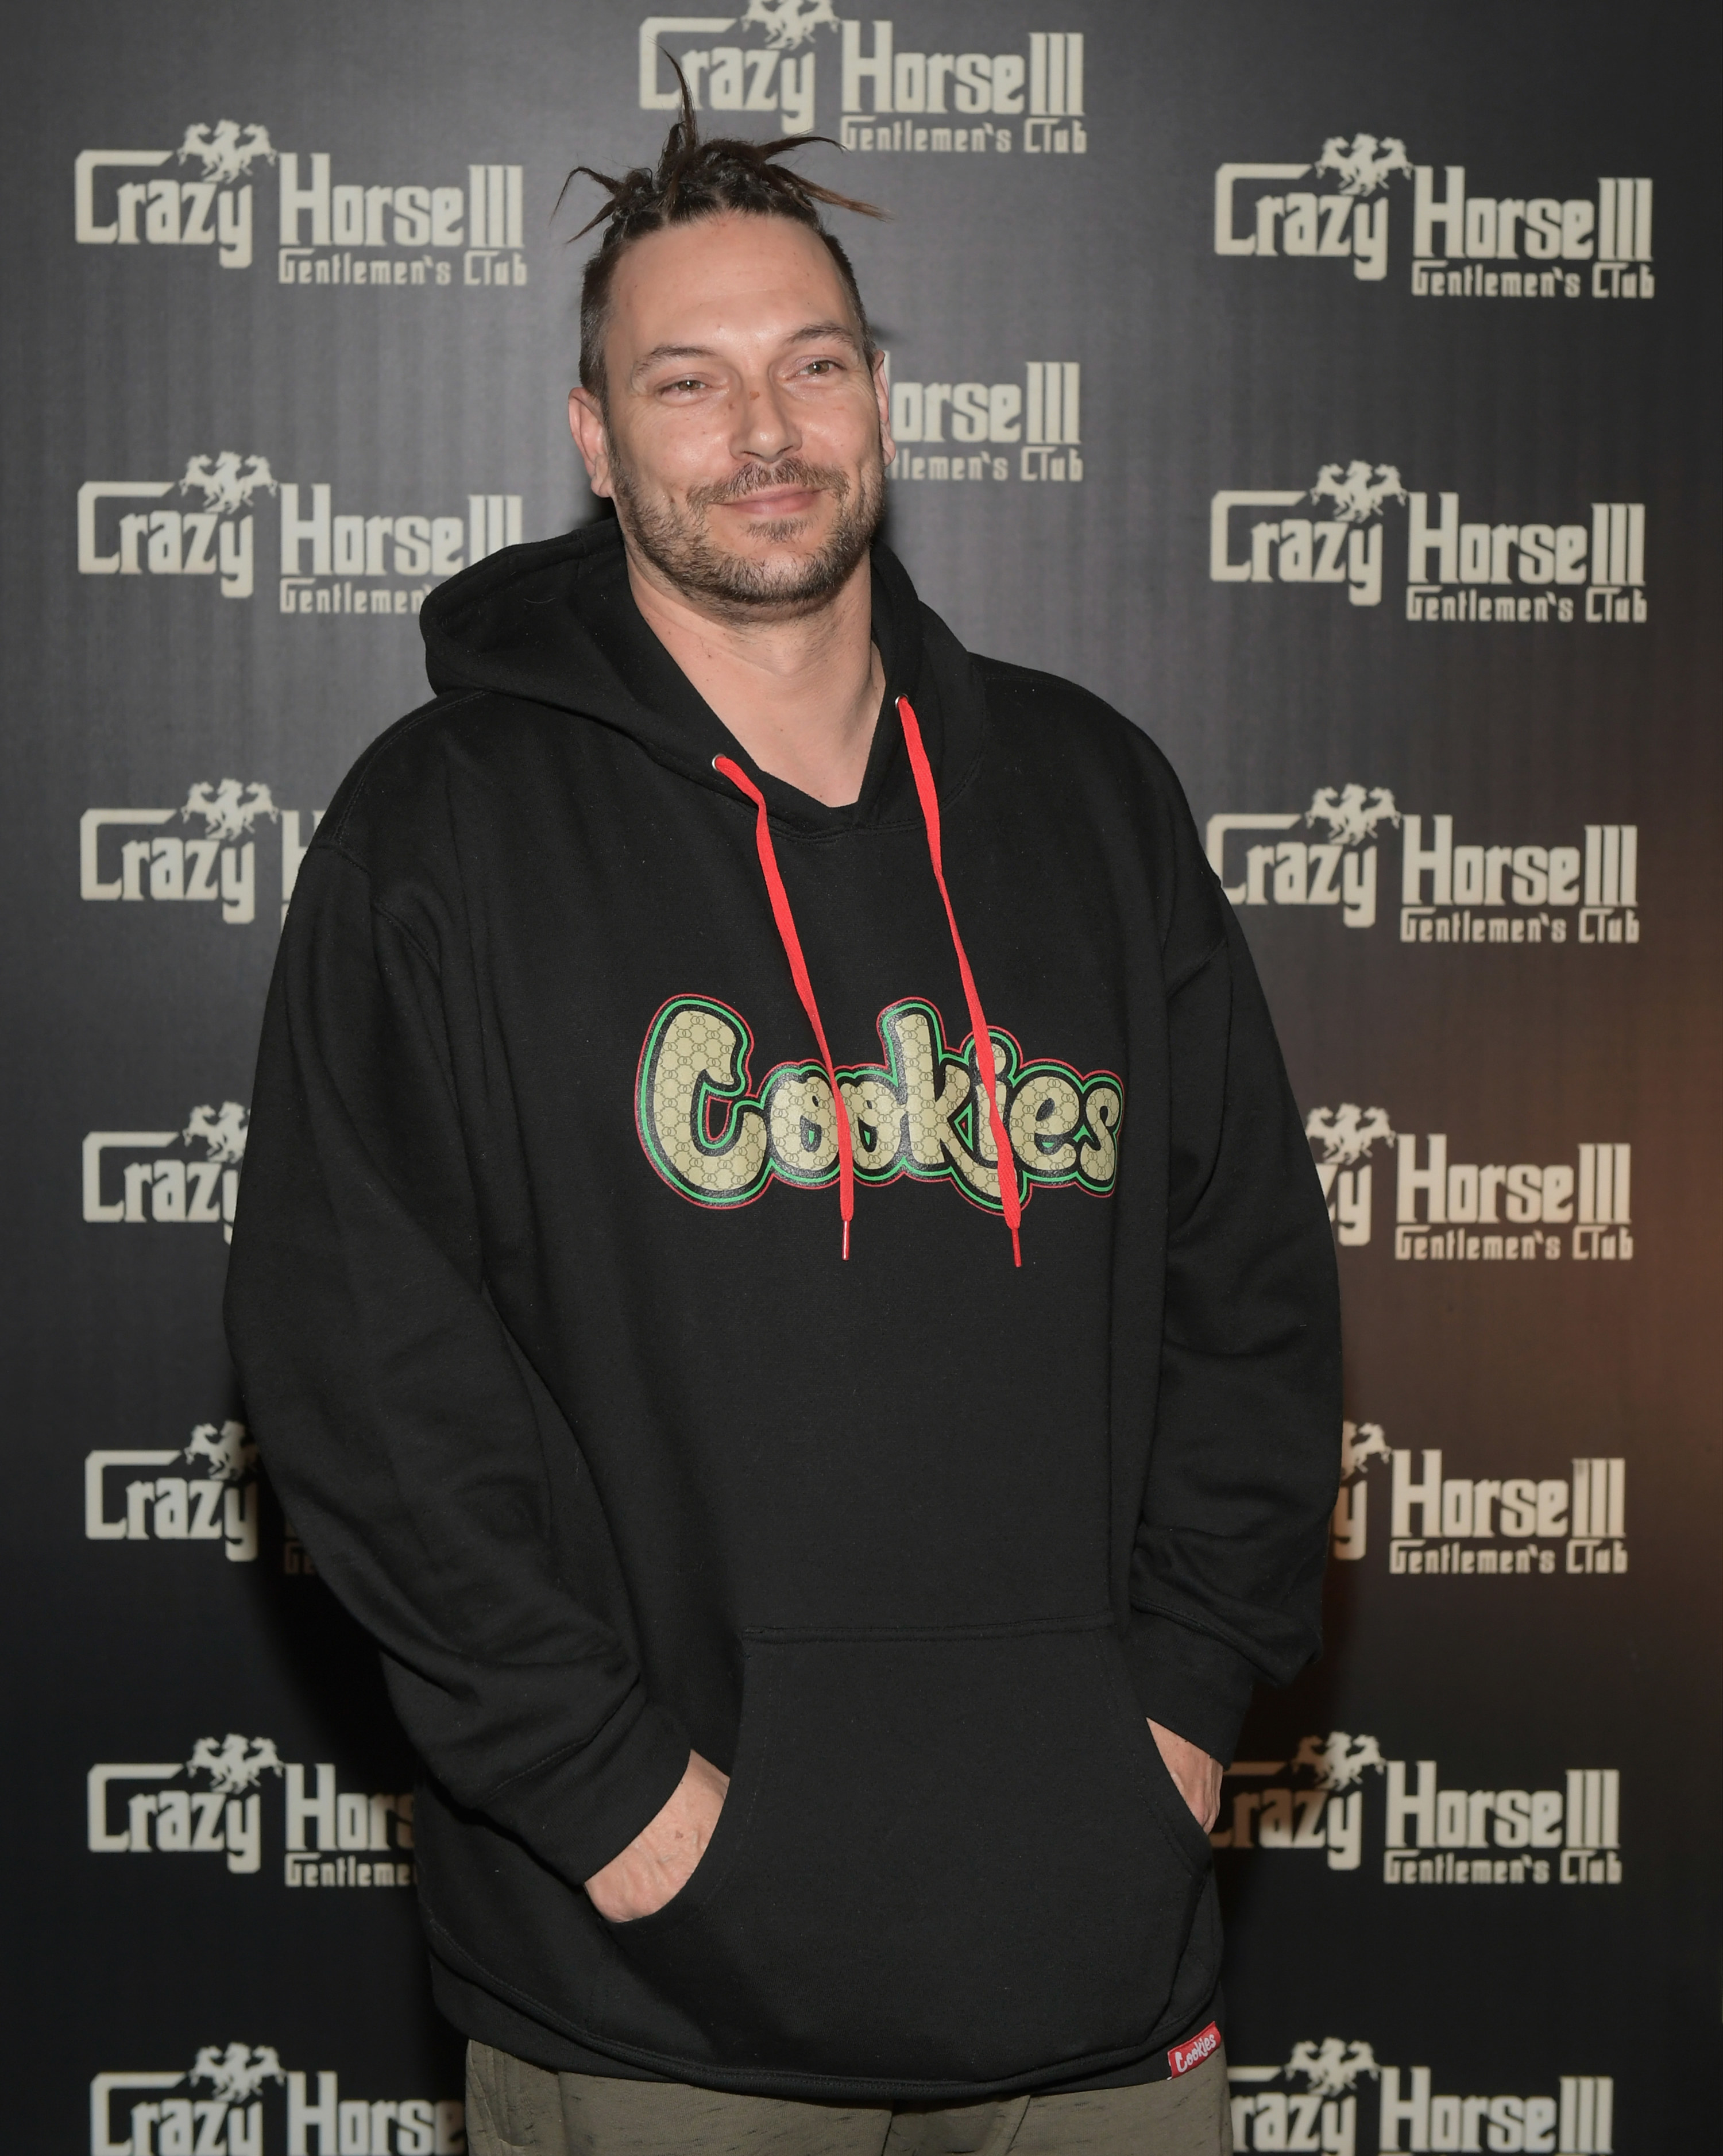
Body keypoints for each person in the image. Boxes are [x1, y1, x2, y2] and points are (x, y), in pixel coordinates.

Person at [225, 93, 1340, 2156]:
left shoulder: (1091, 799)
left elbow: (1250, 1294)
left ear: (881, 401)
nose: (767, 426)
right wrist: (614, 1803)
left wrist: (1180, 1715)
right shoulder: (444, 828)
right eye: (692, 378)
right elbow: (363, 1375)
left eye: (814, 363)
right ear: (594, 439)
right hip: (650, 1990)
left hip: (1094, 1966)